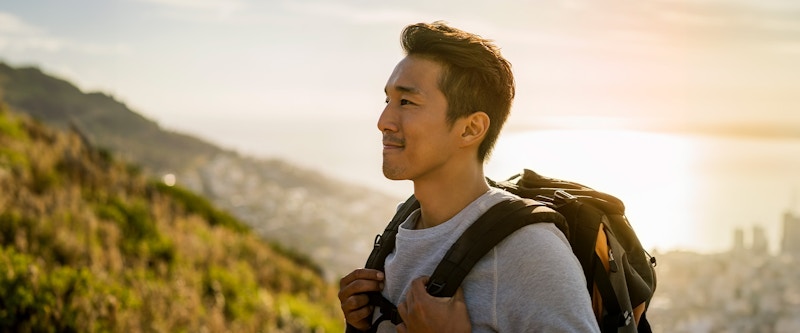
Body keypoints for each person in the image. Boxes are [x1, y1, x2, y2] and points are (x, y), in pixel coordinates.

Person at [339, 21, 600, 332]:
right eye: (388, 101)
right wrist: (365, 324)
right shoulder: (405, 221)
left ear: (470, 129)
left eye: (406, 102)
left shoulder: (530, 249)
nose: (383, 121)